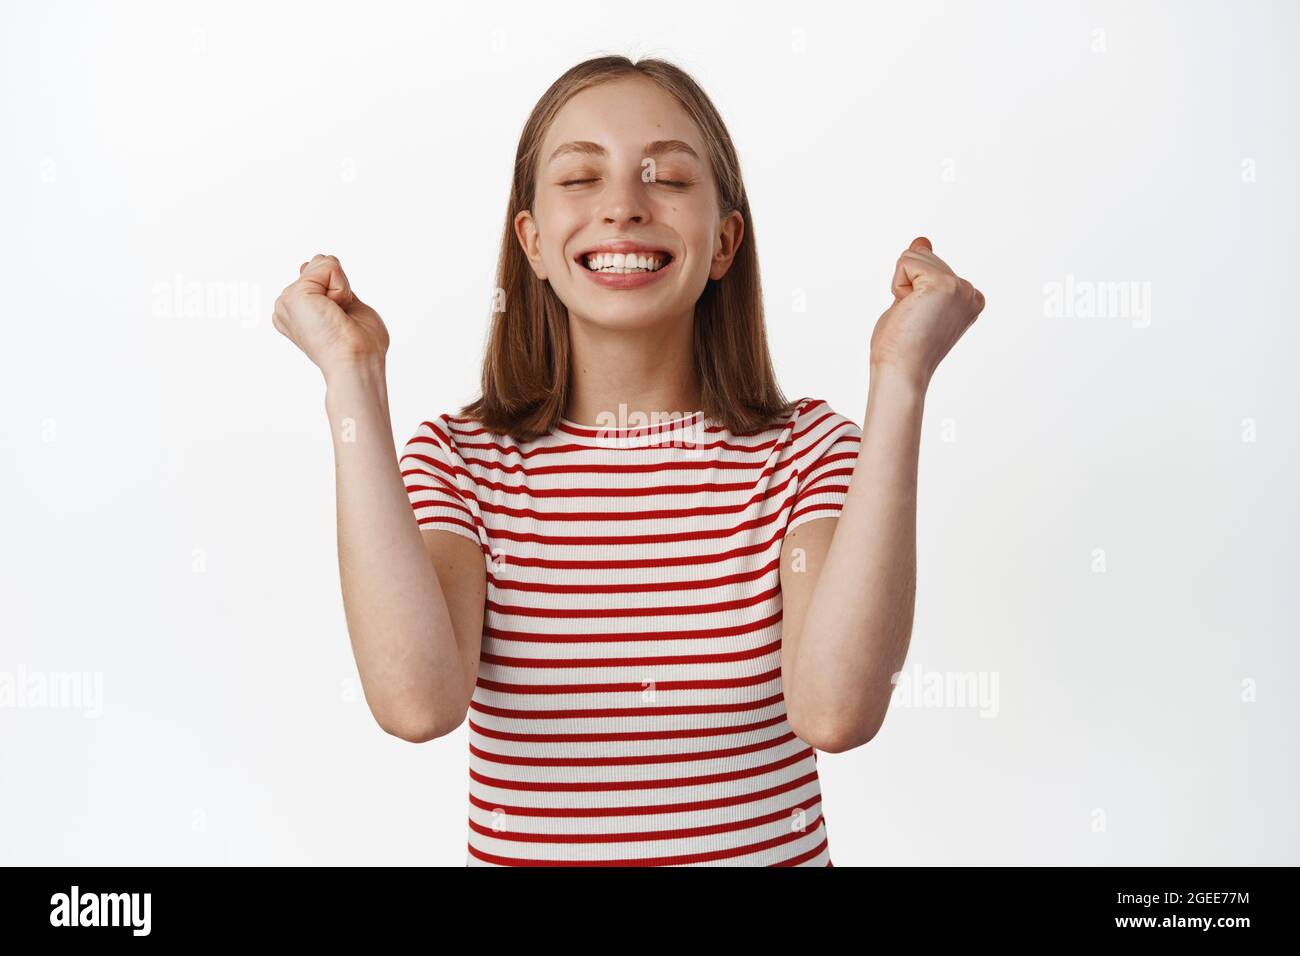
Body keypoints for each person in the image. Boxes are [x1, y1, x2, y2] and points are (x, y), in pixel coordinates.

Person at [273, 55, 985, 866]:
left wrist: (902, 377)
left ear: (724, 243)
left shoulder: (807, 456)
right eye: (580, 177)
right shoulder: (458, 465)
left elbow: (838, 713)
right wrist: (351, 374)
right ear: (532, 242)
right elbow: (415, 703)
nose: (622, 207)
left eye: (669, 180)